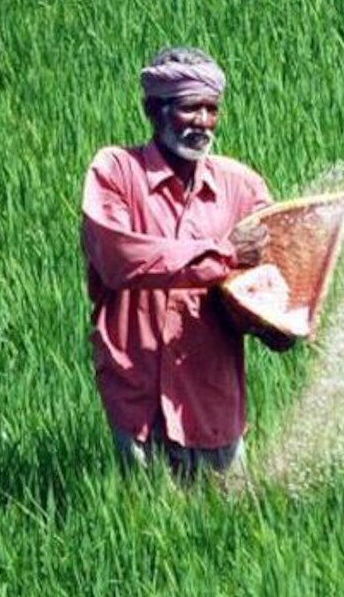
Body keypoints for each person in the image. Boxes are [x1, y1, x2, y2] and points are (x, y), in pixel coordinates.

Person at [80, 46, 289, 485]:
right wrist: (223, 253)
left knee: (230, 539)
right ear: (153, 110)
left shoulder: (242, 187)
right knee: (148, 539)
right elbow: (121, 259)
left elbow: (270, 279)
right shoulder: (115, 172)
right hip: (140, 402)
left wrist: (279, 322)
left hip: (213, 404)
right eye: (190, 108)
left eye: (211, 109)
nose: (204, 122)